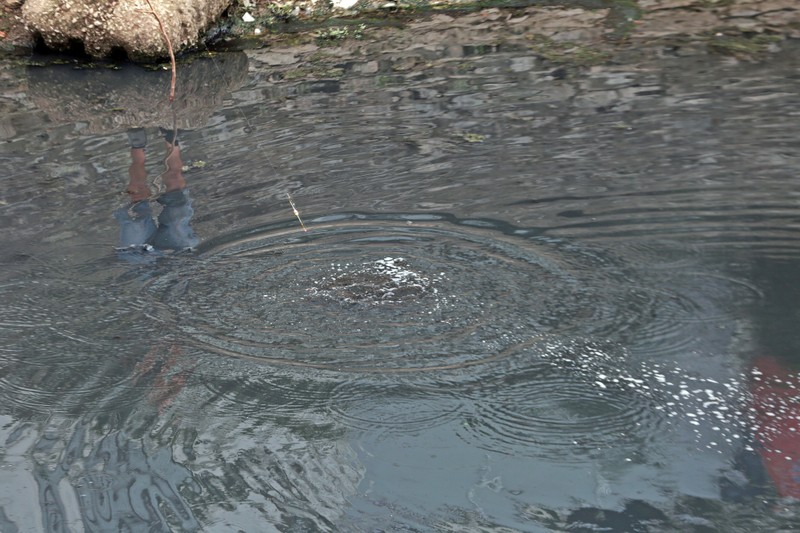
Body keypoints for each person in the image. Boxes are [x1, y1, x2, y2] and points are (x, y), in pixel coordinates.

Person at [114, 127, 199, 258]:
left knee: (137, 211)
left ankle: (137, 146)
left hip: (142, 263)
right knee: (178, 200)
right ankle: (171, 138)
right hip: (182, 257)